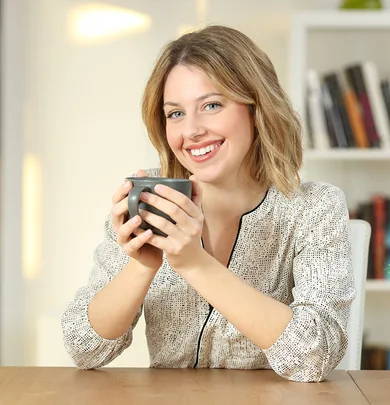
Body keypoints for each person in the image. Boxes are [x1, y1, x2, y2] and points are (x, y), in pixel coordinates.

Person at [61, 24, 355, 383]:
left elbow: (315, 356)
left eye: (211, 105)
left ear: (256, 107)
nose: (192, 131)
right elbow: (83, 346)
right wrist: (140, 266)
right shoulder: (151, 199)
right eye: (175, 113)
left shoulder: (313, 207)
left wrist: (196, 265)